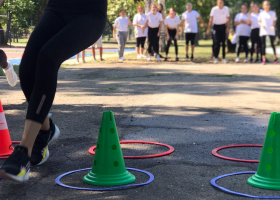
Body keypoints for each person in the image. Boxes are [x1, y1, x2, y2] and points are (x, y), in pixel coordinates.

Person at [0, 0, 107, 182]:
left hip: (90, 12)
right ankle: (45, 129)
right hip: (57, 8)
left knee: (48, 57)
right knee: (26, 70)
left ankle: (23, 155)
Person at [259, 0, 278, 65]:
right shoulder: (261, 13)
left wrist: (273, 26)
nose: (266, 6)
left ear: (269, 6)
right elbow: (259, 21)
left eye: (267, 5)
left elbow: (274, 21)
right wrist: (262, 25)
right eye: (265, 5)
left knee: (272, 44)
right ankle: (263, 59)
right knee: (263, 45)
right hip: (263, 30)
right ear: (263, 6)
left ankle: (275, 58)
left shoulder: (273, 13)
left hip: (271, 30)